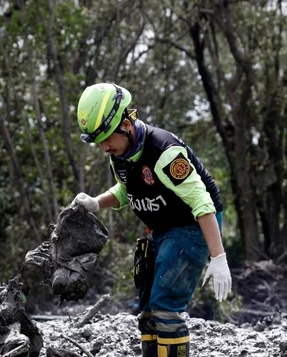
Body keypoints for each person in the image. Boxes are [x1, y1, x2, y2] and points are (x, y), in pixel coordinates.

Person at [72, 83, 232, 357]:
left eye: (107, 138)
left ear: (126, 124)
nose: (104, 147)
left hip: (193, 225)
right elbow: (127, 189)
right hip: (161, 227)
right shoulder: (119, 155)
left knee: (165, 308)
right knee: (147, 311)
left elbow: (202, 203)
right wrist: (97, 203)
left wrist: (218, 258)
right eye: (98, 141)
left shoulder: (164, 152)